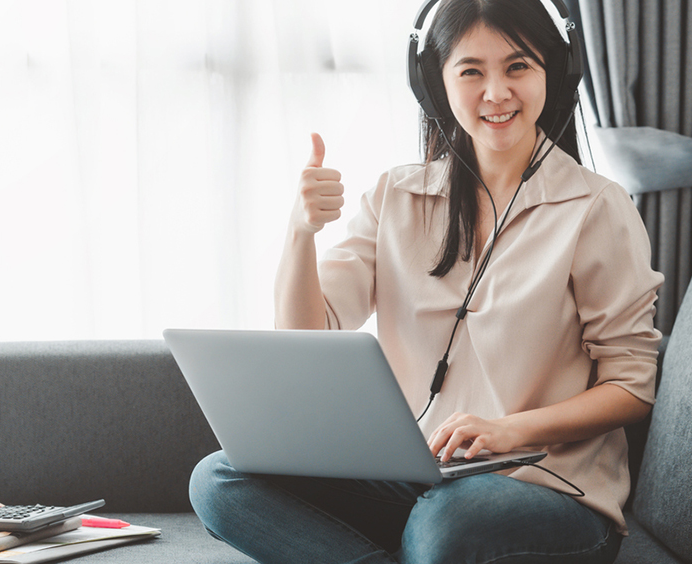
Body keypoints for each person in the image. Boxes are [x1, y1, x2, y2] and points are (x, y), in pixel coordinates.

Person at [190, 0, 664, 562]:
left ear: (550, 73)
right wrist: (300, 233)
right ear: (435, 82)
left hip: (546, 488)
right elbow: (307, 332)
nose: (496, 92)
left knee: (450, 520)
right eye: (471, 71)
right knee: (220, 477)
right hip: (420, 478)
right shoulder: (396, 194)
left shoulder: (596, 207)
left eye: (518, 67)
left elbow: (631, 389)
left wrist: (511, 430)